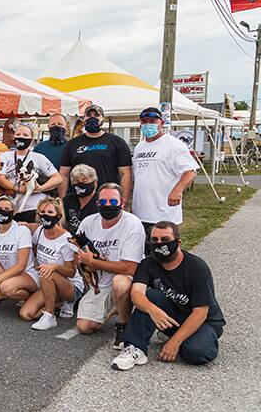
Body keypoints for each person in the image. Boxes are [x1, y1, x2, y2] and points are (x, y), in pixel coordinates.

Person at [112, 221, 225, 370]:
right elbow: (136, 293)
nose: (159, 244)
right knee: (150, 295)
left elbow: (201, 312)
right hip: (170, 315)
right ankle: (134, 347)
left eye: (165, 240)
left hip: (203, 321)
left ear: (178, 242)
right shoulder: (148, 264)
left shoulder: (197, 268)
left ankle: (181, 337)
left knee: (197, 353)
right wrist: (153, 310)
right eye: (155, 240)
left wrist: (175, 342)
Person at [74, 183, 146, 351]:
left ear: (122, 202)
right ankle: (116, 306)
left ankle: (123, 325)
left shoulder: (133, 225)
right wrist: (85, 265)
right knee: (84, 327)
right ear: (97, 203)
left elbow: (130, 268)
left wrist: (94, 263)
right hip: (100, 282)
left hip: (126, 279)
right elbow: (77, 254)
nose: (108, 205)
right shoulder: (88, 223)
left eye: (113, 202)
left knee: (120, 284)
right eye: (103, 201)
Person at [131, 107, 198, 254]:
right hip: (140, 212)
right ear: (140, 124)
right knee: (144, 255)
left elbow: (190, 171)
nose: (148, 124)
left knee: (165, 255)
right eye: (144, 121)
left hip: (163, 214)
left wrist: (178, 190)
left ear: (161, 123)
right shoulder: (139, 147)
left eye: (152, 121)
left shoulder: (173, 144)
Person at [18, 197, 84, 330]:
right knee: (26, 314)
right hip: (48, 281)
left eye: (50, 212)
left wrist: (55, 266)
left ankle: (50, 316)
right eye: (42, 212)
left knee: (47, 272)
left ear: (58, 216)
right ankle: (58, 304)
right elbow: (27, 228)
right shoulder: (39, 231)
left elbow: (71, 272)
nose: (45, 215)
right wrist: (21, 225)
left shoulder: (66, 239)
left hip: (70, 286)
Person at [58, 104, 132, 200]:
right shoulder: (72, 144)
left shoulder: (117, 142)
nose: (92, 118)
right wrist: (62, 199)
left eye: (96, 115)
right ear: (83, 119)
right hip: (80, 199)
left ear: (103, 119)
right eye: (89, 115)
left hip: (108, 200)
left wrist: (123, 201)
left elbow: (125, 174)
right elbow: (64, 174)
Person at [0, 123, 62, 222]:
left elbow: (57, 178)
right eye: (18, 134)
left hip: (35, 208)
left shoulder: (38, 157)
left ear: (31, 140)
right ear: (14, 137)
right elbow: (0, 179)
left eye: (25, 135)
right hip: (10, 208)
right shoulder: (5, 156)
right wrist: (18, 189)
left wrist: (40, 188)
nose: (21, 137)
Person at [63, 164, 99, 234]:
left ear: (95, 183)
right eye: (76, 181)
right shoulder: (68, 199)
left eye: (84, 180)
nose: (80, 184)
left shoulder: (100, 202)